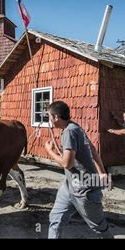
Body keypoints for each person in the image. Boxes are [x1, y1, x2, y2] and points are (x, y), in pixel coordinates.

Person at [45, 101, 113, 239]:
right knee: (56, 219)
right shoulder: (75, 126)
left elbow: (67, 164)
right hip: (69, 186)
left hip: (85, 190)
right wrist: (102, 172)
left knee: (99, 228)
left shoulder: (70, 132)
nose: (49, 120)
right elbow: (92, 148)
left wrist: (49, 151)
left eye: (49, 116)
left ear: (56, 117)